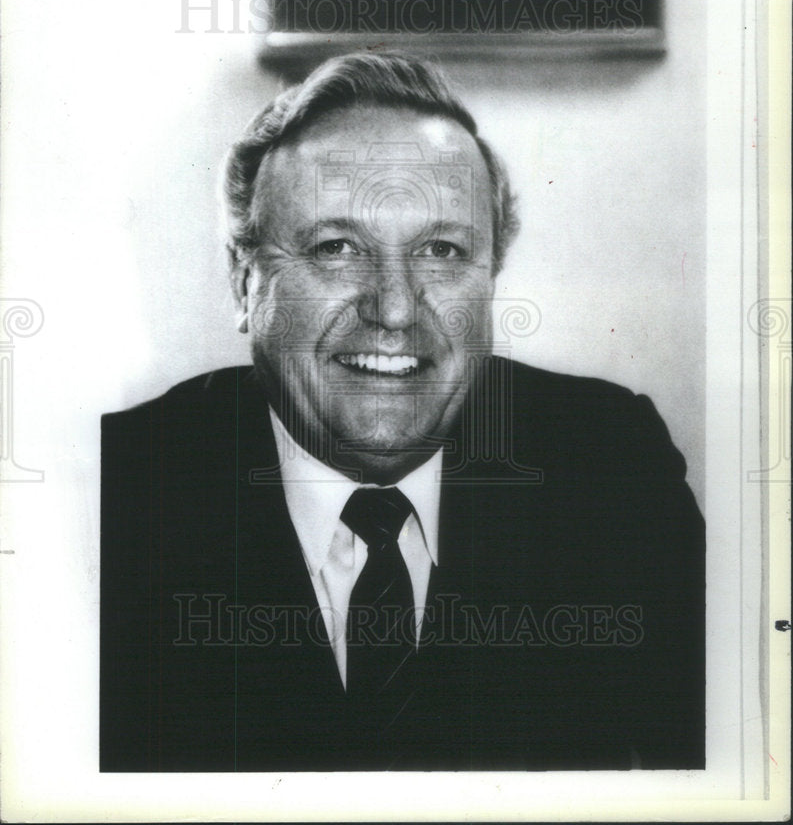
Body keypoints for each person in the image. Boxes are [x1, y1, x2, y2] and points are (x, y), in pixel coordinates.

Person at [101, 52, 704, 772]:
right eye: (335, 249)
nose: (392, 307)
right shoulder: (124, 490)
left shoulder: (607, 466)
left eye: (441, 250)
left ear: (489, 280)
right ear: (243, 283)